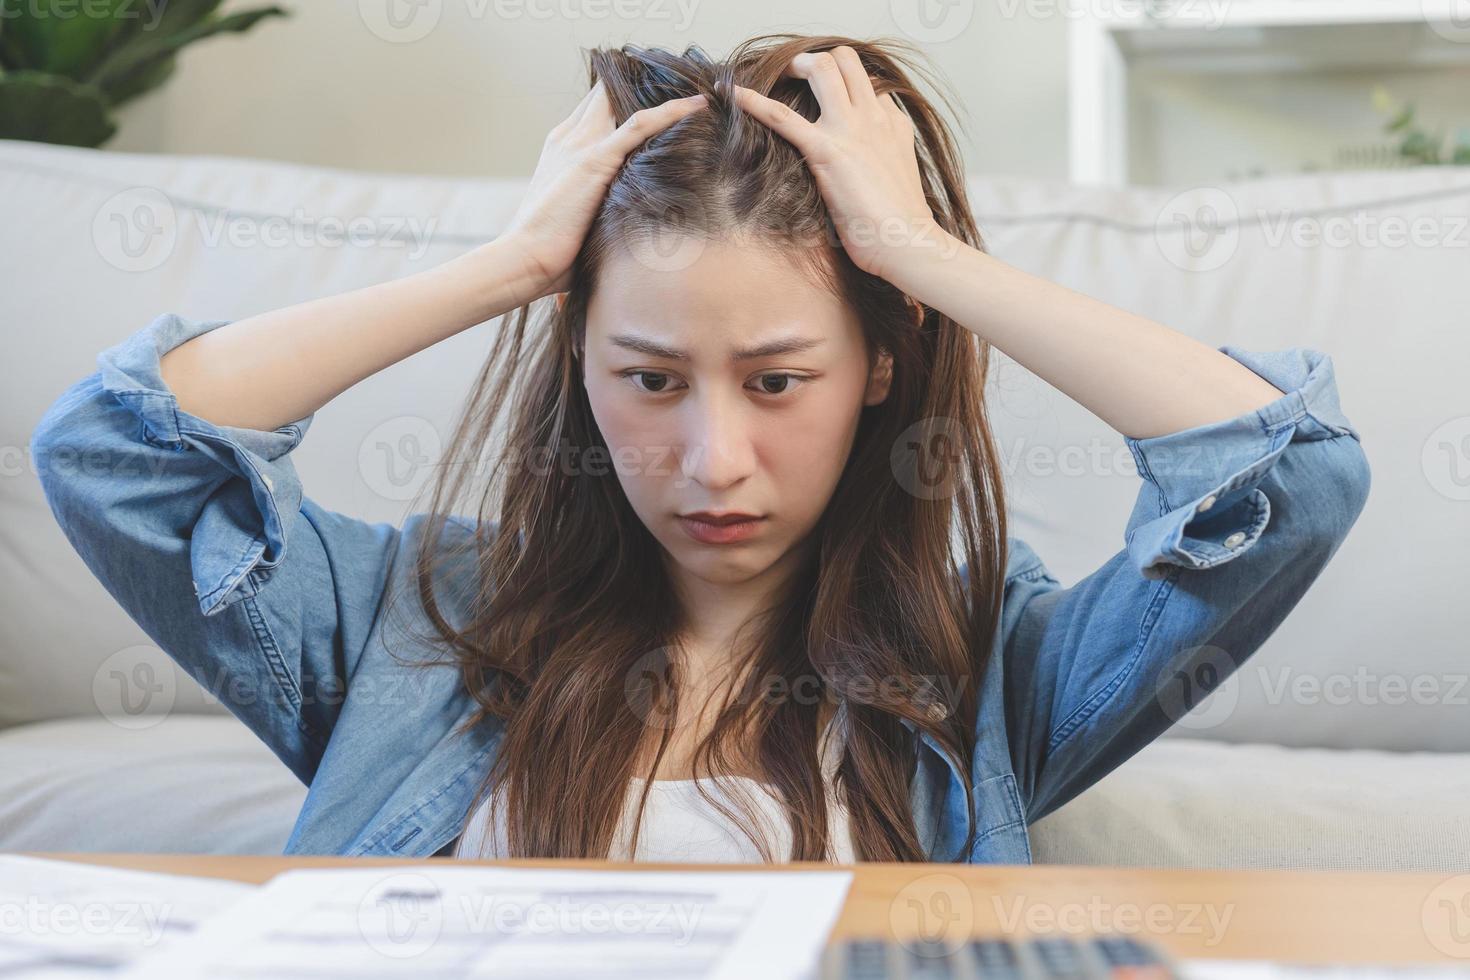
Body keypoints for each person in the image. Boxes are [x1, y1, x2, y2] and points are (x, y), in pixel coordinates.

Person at [29, 34, 1371, 864]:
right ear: (581, 365)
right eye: (649, 379)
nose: (712, 460)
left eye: (778, 379)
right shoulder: (411, 626)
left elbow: (1283, 478)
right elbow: (117, 454)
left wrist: (921, 258)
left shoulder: (982, 667)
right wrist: (509, 266)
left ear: (877, 372)